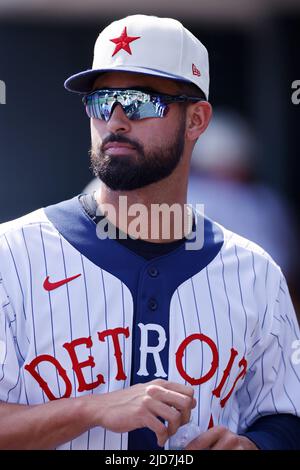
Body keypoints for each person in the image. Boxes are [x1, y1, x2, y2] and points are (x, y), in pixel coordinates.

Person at [0, 14, 299, 451]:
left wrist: (253, 447)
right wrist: (91, 408)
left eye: (139, 102)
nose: (115, 120)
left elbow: (287, 413)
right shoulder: (12, 254)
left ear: (196, 120)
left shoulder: (256, 273)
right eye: (102, 101)